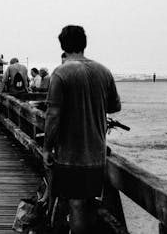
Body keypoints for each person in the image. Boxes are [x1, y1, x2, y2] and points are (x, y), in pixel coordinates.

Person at [43, 25, 121, 234]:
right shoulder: (103, 71)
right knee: (91, 204)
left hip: (70, 155)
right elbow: (115, 106)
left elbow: (53, 115)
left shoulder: (60, 73)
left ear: (62, 45)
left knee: (76, 206)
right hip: (96, 154)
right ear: (84, 44)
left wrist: (46, 148)